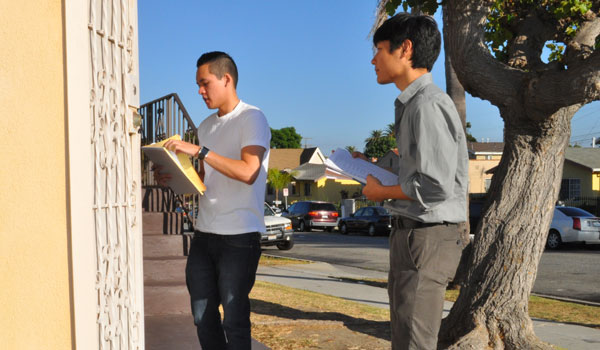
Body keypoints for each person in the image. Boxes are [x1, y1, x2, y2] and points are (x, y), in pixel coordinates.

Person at [362, 13, 468, 349]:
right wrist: (380, 175)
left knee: (414, 343)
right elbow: (422, 177)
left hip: (427, 238)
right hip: (414, 236)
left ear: (404, 49)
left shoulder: (427, 104)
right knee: (405, 338)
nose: (373, 59)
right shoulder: (416, 104)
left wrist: (381, 193)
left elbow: (435, 186)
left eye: (380, 49)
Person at [154, 51, 270, 349]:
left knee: (234, 321)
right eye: (198, 84)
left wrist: (199, 151)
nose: (200, 91)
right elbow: (206, 184)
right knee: (202, 317)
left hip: (240, 238)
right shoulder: (206, 127)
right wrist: (174, 176)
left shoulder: (251, 118)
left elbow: (248, 173)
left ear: (226, 79)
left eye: (205, 83)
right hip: (205, 236)